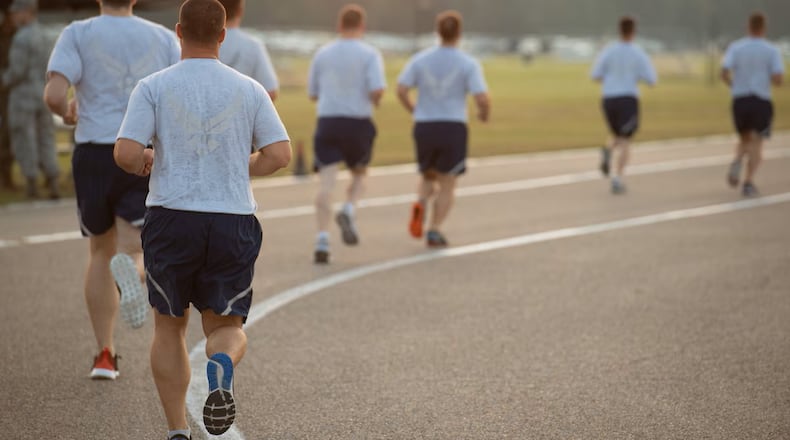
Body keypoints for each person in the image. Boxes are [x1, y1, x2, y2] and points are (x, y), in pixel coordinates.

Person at [114, 1, 291, 437]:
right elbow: (280, 155)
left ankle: (177, 430)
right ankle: (222, 364)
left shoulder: (153, 86)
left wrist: (150, 159)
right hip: (232, 220)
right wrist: (236, 164)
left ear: (178, 32)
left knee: (169, 327)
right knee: (225, 325)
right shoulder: (249, 88)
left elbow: (125, 153)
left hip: (172, 218)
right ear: (223, 35)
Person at [44, 0, 180, 380]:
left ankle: (105, 354)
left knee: (99, 251)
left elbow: (55, 95)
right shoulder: (164, 38)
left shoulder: (77, 33)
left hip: (92, 151)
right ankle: (132, 273)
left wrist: (68, 112)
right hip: (138, 148)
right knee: (135, 244)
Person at [396, 10, 490, 248]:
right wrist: (483, 114)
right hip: (452, 125)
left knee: (428, 174)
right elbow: (482, 97)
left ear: (437, 32)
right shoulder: (468, 62)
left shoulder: (420, 59)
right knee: (448, 183)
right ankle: (434, 229)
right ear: (459, 33)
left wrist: (414, 109)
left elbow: (401, 88)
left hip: (425, 124)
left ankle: (420, 202)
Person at [307, 3, 386, 264]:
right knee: (360, 174)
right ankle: (349, 208)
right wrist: (374, 100)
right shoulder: (370, 53)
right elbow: (377, 90)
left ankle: (322, 239)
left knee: (326, 183)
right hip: (358, 122)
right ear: (362, 26)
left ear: (339, 25)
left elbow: (313, 93)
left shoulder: (323, 53)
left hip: (328, 121)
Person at [590, 15, 657, 195]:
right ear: (633, 31)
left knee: (616, 135)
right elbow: (652, 80)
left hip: (608, 98)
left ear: (619, 30)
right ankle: (618, 178)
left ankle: (608, 150)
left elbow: (595, 75)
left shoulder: (608, 51)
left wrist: (611, 80)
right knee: (626, 140)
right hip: (627, 98)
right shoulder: (638, 53)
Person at [721, 12, 784, 197]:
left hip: (740, 99)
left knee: (744, 138)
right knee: (757, 143)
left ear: (748, 27)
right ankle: (748, 181)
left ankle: (738, 158)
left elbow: (724, 72)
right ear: (764, 28)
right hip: (761, 99)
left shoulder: (736, 47)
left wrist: (734, 85)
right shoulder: (771, 50)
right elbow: (778, 78)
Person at [2, 0, 59, 199]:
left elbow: (17, 71)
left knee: (24, 137)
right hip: (43, 91)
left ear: (26, 12)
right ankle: (52, 180)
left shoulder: (21, 38)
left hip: (22, 94)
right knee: (46, 137)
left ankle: (31, 181)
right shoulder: (45, 35)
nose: (13, 18)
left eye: (16, 13)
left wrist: (3, 80)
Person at [217, 0, 279, 101]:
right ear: (240, 11)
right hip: (244, 114)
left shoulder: (201, 43)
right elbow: (270, 91)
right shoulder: (253, 46)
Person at [0, 8, 17, 191]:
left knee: (9, 135)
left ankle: (7, 177)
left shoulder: (17, 37)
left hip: (9, 92)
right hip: (6, 91)